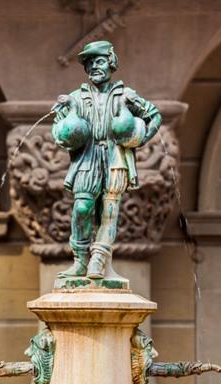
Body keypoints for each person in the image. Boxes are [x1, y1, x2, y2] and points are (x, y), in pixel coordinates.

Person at [51, 40, 161, 279]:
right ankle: (80, 260)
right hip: (87, 158)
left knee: (109, 211)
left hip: (114, 159)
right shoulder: (76, 97)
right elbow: (57, 127)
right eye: (89, 64)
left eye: (99, 61)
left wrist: (139, 138)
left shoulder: (126, 95)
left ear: (111, 63)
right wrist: (64, 128)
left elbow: (154, 116)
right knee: (82, 208)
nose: (94, 68)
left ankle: (98, 259)